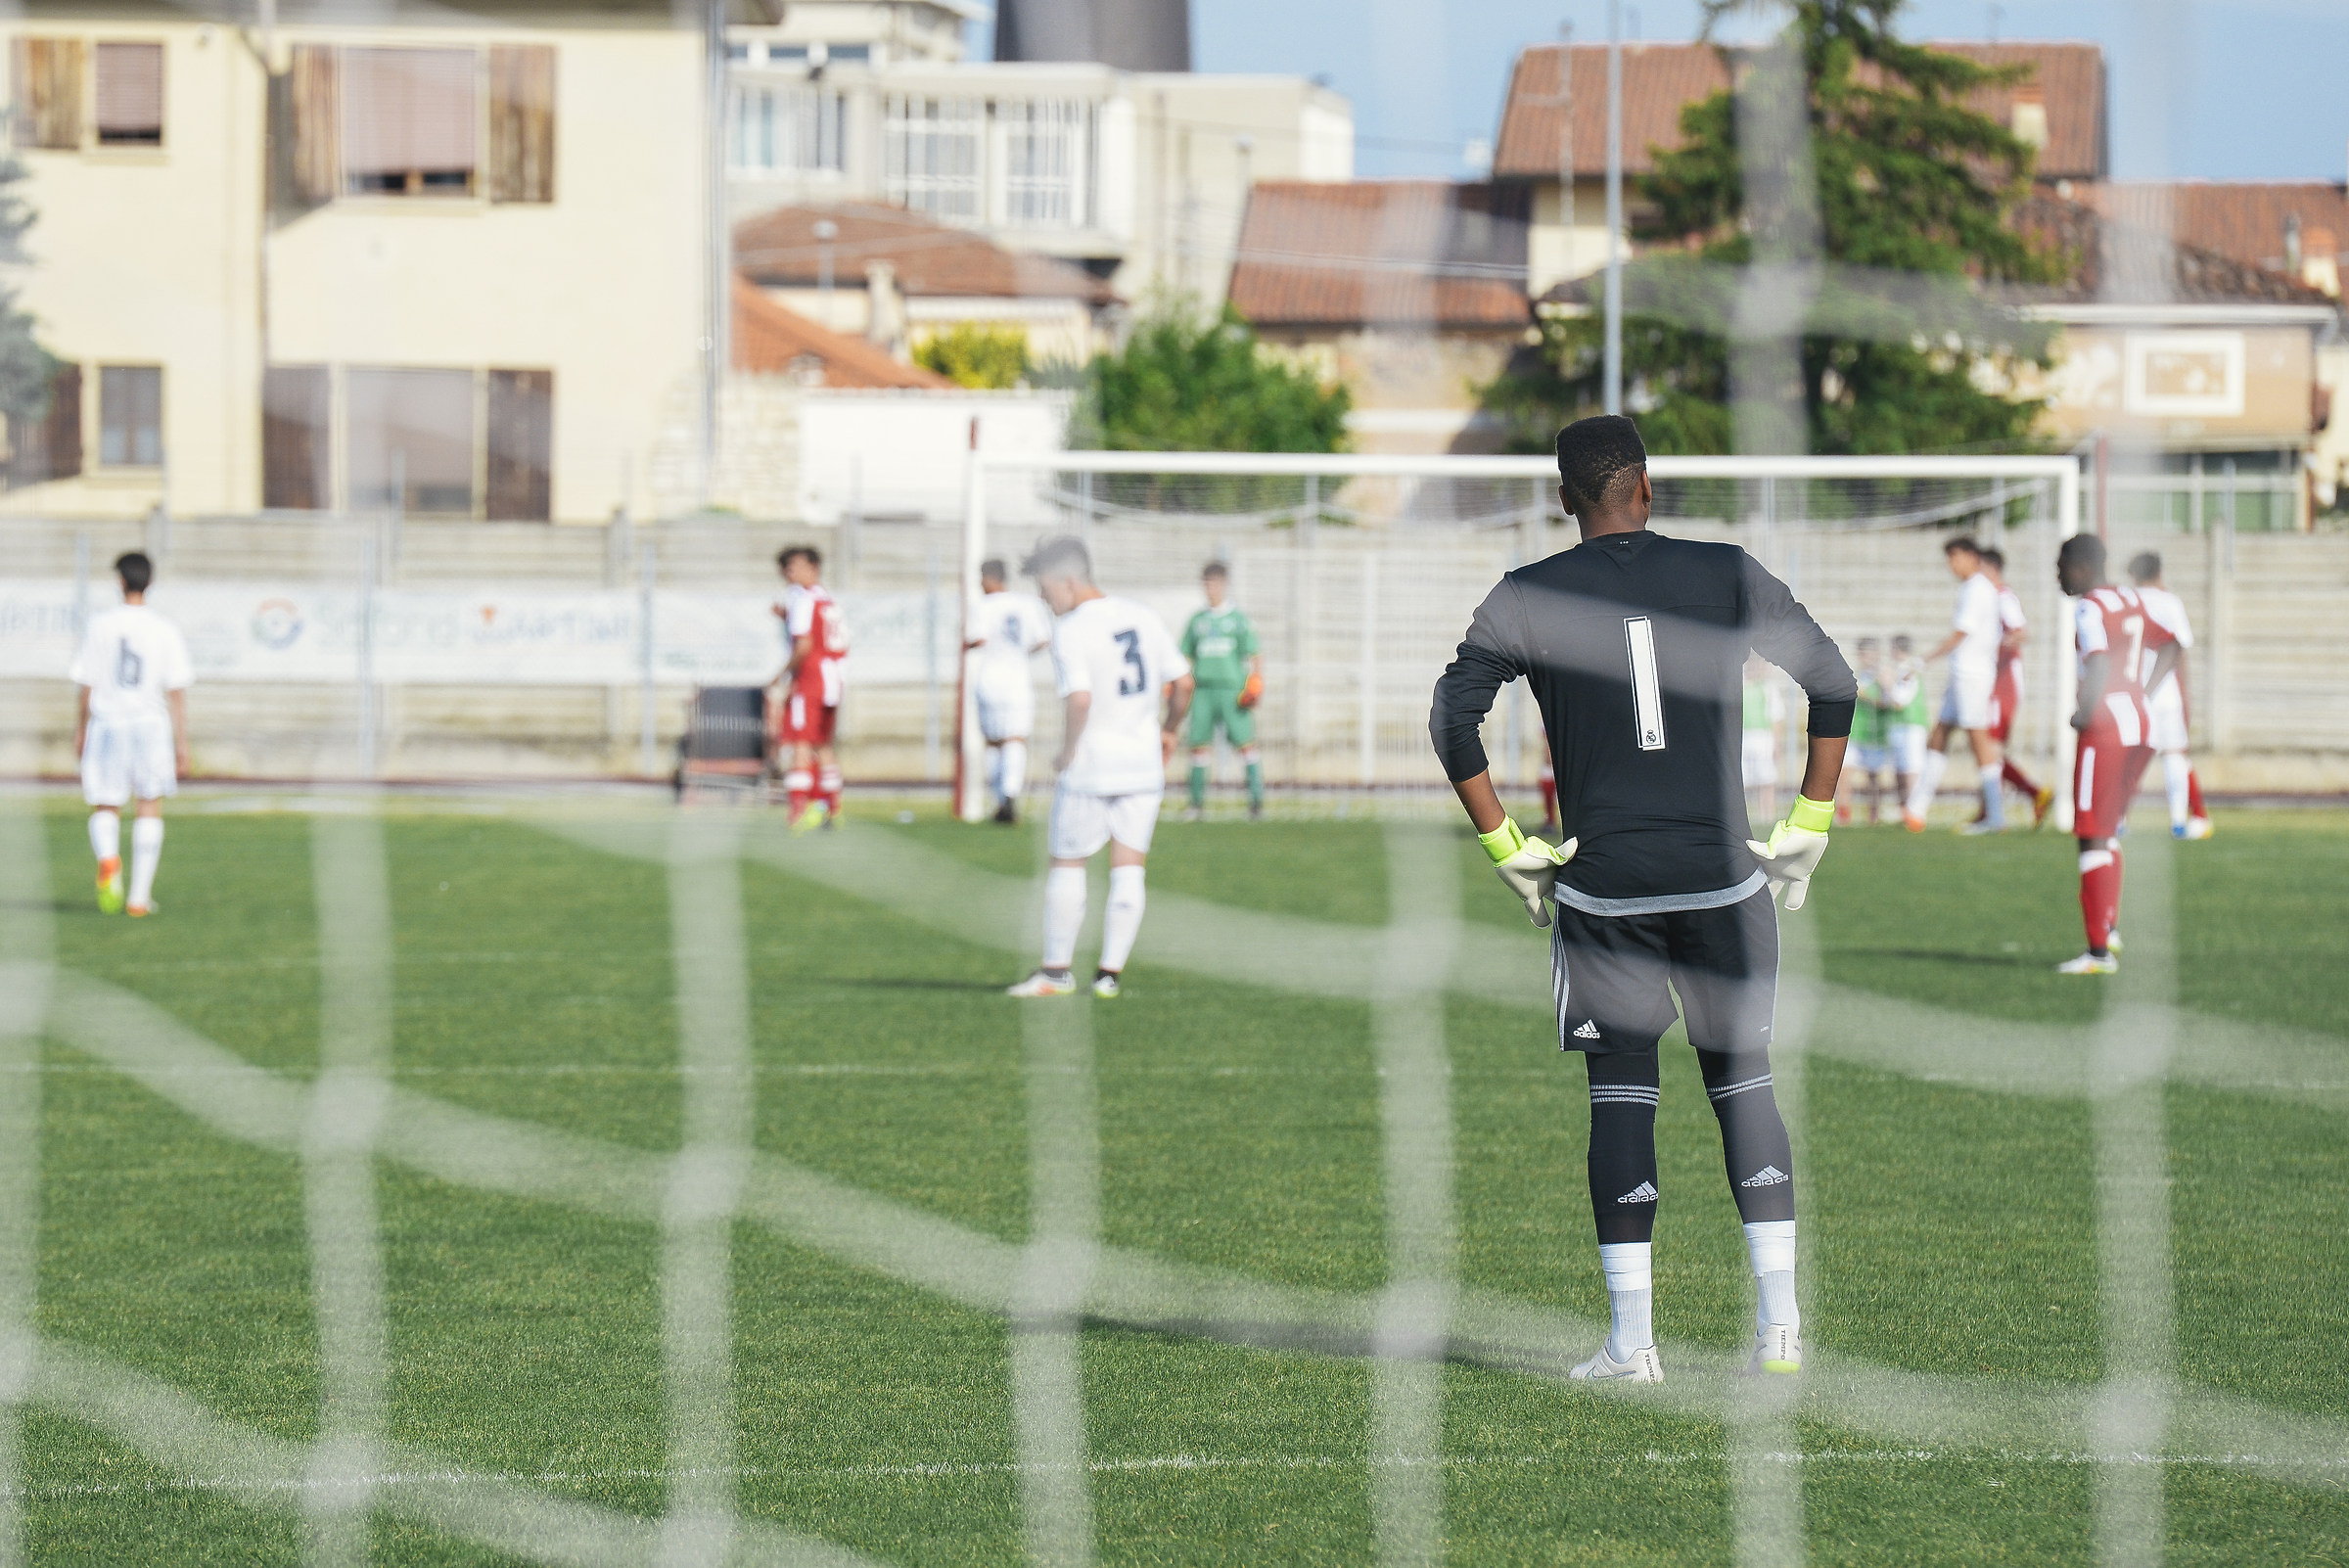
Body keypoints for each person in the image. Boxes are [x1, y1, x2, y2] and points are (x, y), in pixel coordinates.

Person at [1431, 415, 1856, 1384]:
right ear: (1649, 488)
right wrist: (1811, 821)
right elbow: (1834, 683)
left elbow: (1452, 720)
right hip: (1723, 877)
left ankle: (1633, 1345)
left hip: (1606, 888)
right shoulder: (1728, 571)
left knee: (1622, 1097)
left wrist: (1506, 847)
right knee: (1743, 1082)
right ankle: (1780, 1328)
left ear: (1564, 500)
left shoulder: (1527, 592)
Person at [1007, 537, 1193, 1000]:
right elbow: (1183, 682)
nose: (1043, 598)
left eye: (1044, 587)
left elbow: (1081, 699)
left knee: (1067, 863)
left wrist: (1067, 751)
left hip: (1091, 767)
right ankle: (1109, 977)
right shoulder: (1142, 615)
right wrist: (1169, 729)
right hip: (1142, 765)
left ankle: (1055, 974)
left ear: (1068, 581)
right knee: (1129, 867)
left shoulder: (1071, 628)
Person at [2055, 534, 2178, 975]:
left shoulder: (2090, 607)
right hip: (2142, 723)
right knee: (2109, 829)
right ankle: (2110, 929)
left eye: (2062, 566)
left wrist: (2083, 713)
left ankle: (2097, 953)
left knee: (2091, 831)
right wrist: (2141, 694)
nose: (2058, 575)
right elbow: (2172, 644)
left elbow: (2101, 663)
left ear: (2082, 569)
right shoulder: (2127, 597)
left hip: (2106, 728)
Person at [70, 551, 192, 917]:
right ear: (149, 583)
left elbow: (86, 684)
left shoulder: (100, 625)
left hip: (108, 723)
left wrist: (80, 730)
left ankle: (109, 859)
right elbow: (177, 691)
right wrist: (181, 743)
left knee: (105, 803)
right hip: (150, 725)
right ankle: (139, 898)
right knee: (148, 803)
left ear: (120, 581)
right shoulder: (163, 628)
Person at [1903, 537, 2007, 834]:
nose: (1952, 565)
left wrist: (1922, 661)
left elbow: (1961, 634)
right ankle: (1915, 809)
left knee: (1978, 738)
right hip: (1963, 672)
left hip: (1972, 675)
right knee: (1940, 733)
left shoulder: (1977, 588)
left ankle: (1997, 814)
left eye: (1955, 558)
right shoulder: (1974, 588)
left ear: (1972, 557)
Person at [2128, 551, 2211, 840]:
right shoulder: (2170, 602)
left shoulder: (2127, 601)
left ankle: (2119, 820)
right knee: (2174, 754)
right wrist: (2186, 693)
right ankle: (2178, 821)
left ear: (2133, 574)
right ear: (2159, 573)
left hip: (2133, 691)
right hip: (2166, 692)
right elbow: (2179, 649)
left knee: (2129, 757)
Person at [966, 558, 1055, 824]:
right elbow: (1043, 639)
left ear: (991, 578)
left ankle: (999, 801)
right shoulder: (1027, 604)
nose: (980, 584)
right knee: (1015, 739)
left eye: (982, 578)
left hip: (990, 680)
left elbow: (978, 639)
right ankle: (1010, 794)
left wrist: (966, 643)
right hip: (1017, 682)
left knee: (994, 742)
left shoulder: (983, 605)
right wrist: (1020, 654)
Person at [770, 545, 849, 830]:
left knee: (801, 744)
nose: (790, 573)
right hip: (834, 679)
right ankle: (832, 807)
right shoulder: (826, 598)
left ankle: (799, 811)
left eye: (795, 566)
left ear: (812, 567)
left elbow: (804, 644)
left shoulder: (803, 599)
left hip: (811, 678)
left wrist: (781, 676)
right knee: (823, 745)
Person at [1179, 561, 1265, 821]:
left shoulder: (1238, 620)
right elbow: (1185, 655)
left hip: (1232, 691)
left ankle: (1256, 803)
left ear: (1224, 585)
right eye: (1206, 583)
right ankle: (1196, 804)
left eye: (1214, 583)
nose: (1210, 589)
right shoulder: (1197, 620)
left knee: (1245, 744)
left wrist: (1255, 681)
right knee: (1198, 746)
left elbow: (1254, 653)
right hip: (1203, 690)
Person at [1978, 546, 2053, 827]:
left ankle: (2026, 797)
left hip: (2004, 680)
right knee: (1986, 748)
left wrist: (1992, 648)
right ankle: (2023, 797)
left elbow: (2021, 632)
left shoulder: (2002, 597)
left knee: (1988, 747)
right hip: (1995, 681)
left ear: (1991, 569)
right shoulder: (1990, 597)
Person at [1840, 637, 1895, 825]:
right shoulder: (1856, 676)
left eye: (1871, 653)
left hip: (1874, 734)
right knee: (1845, 774)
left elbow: (1888, 702)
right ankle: (1844, 814)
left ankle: (1874, 815)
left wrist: (1872, 693)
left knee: (1873, 777)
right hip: (1855, 731)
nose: (1867, 658)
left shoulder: (1883, 676)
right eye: (1864, 654)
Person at [1886, 634, 1928, 810]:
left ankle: (1913, 808)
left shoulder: (1909, 670)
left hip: (1911, 726)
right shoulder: (1902, 668)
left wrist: (1887, 685)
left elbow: (1900, 701)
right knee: (1901, 767)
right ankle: (1903, 807)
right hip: (1899, 725)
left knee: (1911, 768)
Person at [1741, 654, 1784, 825]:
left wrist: (1776, 743)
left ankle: (1766, 816)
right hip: (1744, 738)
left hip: (1763, 738)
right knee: (1741, 780)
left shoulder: (1768, 688)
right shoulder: (1741, 685)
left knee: (1766, 779)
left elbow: (1777, 717)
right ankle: (1741, 817)